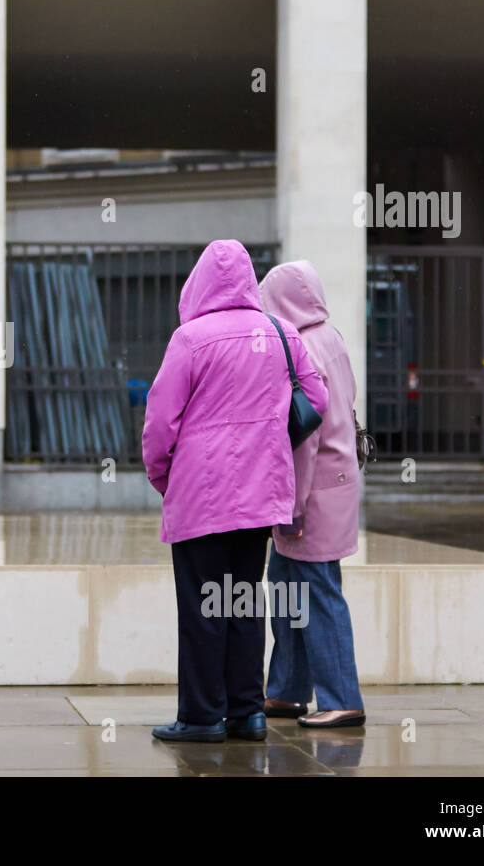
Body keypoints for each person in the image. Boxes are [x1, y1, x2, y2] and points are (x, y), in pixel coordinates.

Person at [143, 240, 328, 743]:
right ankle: (247, 713)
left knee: (204, 607)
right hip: (260, 491)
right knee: (243, 602)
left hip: (201, 496)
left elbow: (161, 423)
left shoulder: (191, 338)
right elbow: (316, 398)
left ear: (199, 282)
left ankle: (201, 717)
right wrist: (269, 440)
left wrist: (163, 476)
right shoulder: (281, 332)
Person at [258, 260, 366, 728]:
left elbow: (305, 438)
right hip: (338, 482)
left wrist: (292, 506)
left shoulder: (299, 346)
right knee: (286, 584)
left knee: (318, 592)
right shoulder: (333, 338)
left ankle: (343, 699)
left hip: (315, 490)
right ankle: (286, 691)